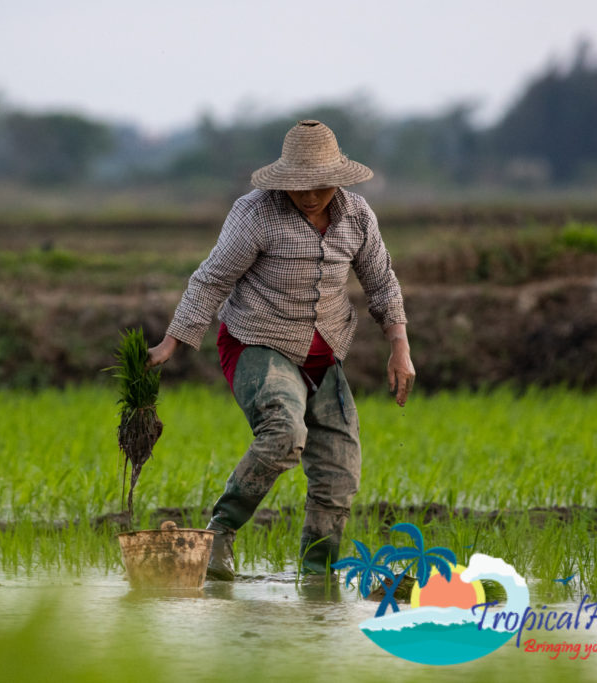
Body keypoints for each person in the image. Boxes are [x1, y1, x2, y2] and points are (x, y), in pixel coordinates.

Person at [147, 120, 414, 580]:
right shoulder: (256, 213)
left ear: (338, 178)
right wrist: (173, 340)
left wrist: (400, 346)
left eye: (319, 185)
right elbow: (212, 278)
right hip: (257, 341)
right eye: (298, 186)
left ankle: (318, 577)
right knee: (285, 432)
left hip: (324, 352)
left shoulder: (358, 216)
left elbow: (381, 281)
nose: (309, 195)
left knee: (340, 469)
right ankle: (219, 533)